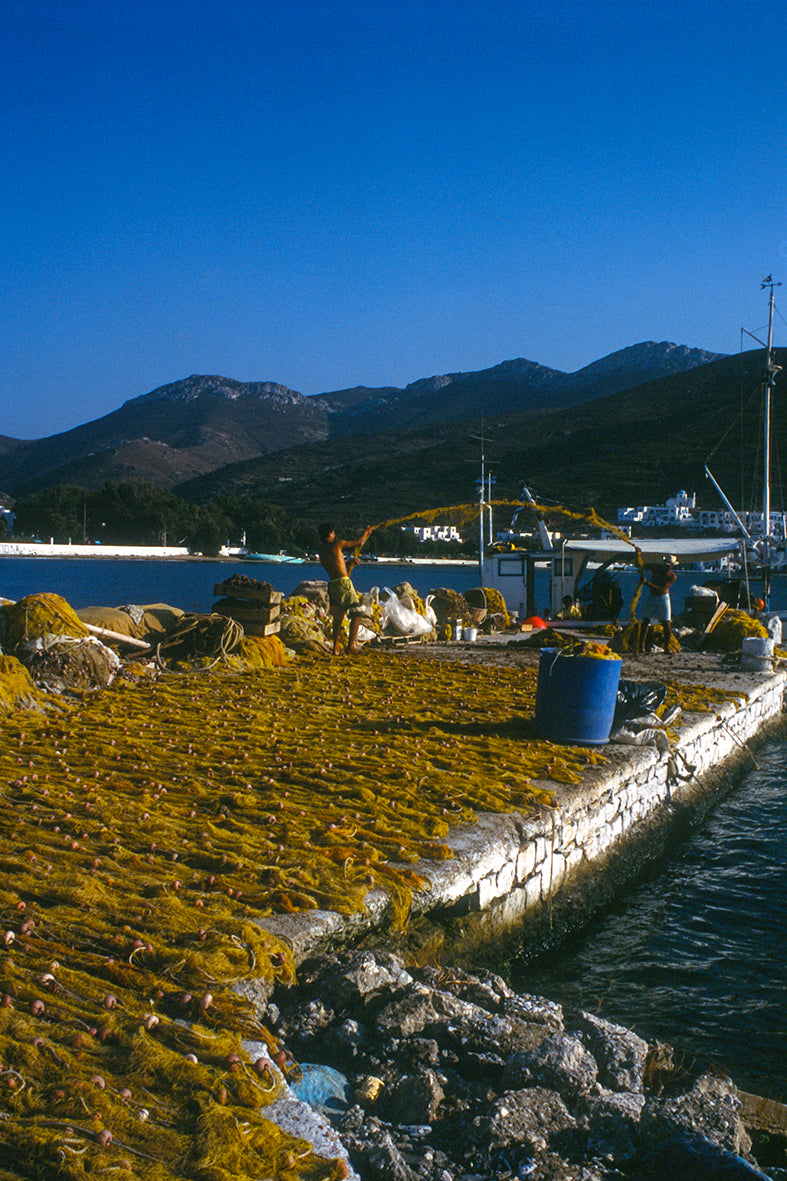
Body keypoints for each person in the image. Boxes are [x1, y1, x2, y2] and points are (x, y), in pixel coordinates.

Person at [318, 522, 374, 655]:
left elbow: (335, 564)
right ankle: (350, 646)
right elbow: (359, 542)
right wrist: (366, 533)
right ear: (330, 533)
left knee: (338, 617)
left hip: (333, 584)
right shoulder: (338, 545)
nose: (334, 535)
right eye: (333, 533)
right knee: (357, 614)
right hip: (343, 583)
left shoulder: (322, 551)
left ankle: (335, 648)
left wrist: (349, 563)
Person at [638, 554, 677, 653]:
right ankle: (641, 646)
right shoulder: (656, 568)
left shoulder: (671, 576)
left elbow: (662, 588)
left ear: (672, 566)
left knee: (666, 623)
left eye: (669, 565)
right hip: (652, 597)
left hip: (663, 598)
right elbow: (642, 565)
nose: (667, 567)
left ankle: (666, 647)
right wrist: (639, 558)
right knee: (645, 621)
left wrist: (646, 583)